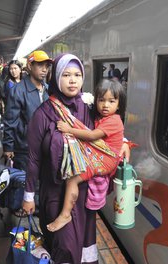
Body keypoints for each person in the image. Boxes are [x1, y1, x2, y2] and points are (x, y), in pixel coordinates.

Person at [21, 54, 130, 264]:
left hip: (82, 193)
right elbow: (32, 158)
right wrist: (28, 196)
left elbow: (105, 131)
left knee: (85, 243)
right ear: (56, 78)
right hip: (55, 193)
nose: (73, 80)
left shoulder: (86, 107)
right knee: (65, 245)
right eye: (67, 75)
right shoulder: (43, 114)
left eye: (78, 75)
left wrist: (124, 142)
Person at [48, 79, 126, 232]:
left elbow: (91, 136)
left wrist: (68, 129)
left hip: (105, 160)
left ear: (119, 104)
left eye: (111, 101)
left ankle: (65, 214)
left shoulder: (114, 120)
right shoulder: (102, 117)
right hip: (100, 155)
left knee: (73, 179)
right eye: (101, 100)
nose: (105, 105)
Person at [2, 50, 52, 170]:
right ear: (30, 66)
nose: (44, 69)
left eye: (46, 66)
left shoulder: (47, 89)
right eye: (40, 65)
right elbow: (10, 121)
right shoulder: (18, 91)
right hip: (25, 149)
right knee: (27, 184)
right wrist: (8, 147)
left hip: (45, 146)